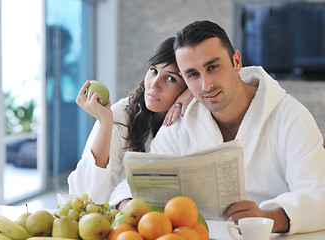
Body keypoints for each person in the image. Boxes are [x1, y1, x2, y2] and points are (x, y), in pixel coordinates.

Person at [114, 20, 325, 234]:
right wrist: (130, 207)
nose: (206, 85)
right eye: (193, 74)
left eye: (212, 67)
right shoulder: (180, 121)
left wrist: (266, 218)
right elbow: (135, 184)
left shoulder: (290, 117)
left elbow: (319, 195)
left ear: (236, 61)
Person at [67, 36, 193, 207]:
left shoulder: (194, 117)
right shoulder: (121, 114)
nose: (155, 85)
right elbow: (89, 195)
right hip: (117, 222)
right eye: (153, 71)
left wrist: (193, 93)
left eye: (171, 79)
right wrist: (105, 122)